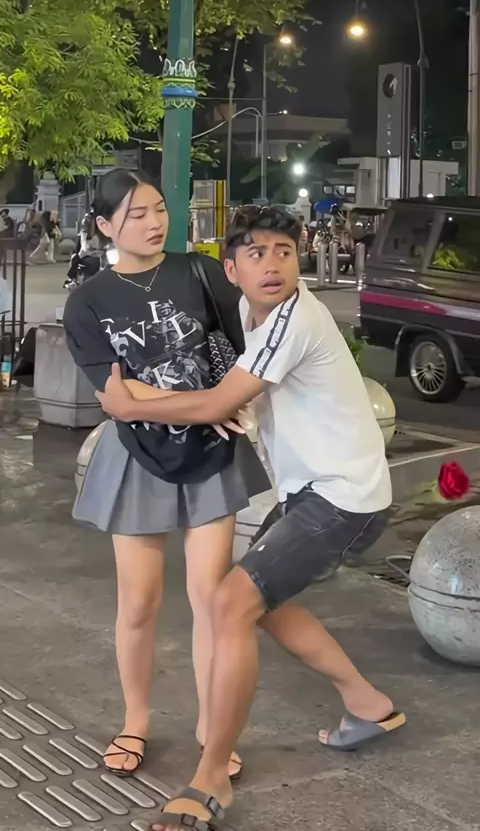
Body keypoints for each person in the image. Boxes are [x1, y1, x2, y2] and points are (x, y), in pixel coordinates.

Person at [97, 204, 406, 831]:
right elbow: (235, 393)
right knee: (257, 603)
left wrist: (129, 406)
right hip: (311, 491)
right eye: (256, 253)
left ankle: (211, 777)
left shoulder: (296, 318)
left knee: (230, 604)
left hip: (343, 497)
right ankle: (367, 702)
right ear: (232, 269)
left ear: (299, 261)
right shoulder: (247, 313)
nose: (272, 264)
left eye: (284, 252)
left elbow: (217, 400)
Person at [62, 170, 269, 782]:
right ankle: (135, 720)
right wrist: (206, 405)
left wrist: (223, 402)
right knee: (139, 602)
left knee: (212, 598)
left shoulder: (200, 272)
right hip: (137, 457)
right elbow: (116, 398)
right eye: (137, 215)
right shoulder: (88, 300)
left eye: (158, 209)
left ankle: (212, 728)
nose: (155, 223)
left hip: (211, 452)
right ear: (105, 226)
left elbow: (248, 349)